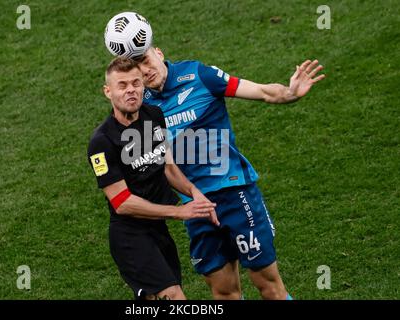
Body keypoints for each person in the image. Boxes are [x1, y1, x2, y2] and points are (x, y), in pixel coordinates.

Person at [132, 46, 325, 300]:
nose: (145, 71)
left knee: (267, 284)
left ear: (158, 52)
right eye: (136, 68)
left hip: (234, 192)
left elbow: (261, 91)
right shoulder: (141, 107)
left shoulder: (199, 75)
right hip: (196, 207)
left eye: (145, 60)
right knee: (224, 293)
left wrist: (289, 93)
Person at [87, 57, 219, 300]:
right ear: (108, 91)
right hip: (130, 238)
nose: (131, 91)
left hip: (158, 230)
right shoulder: (102, 142)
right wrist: (179, 212)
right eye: (122, 85)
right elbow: (122, 203)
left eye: (136, 83)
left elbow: (168, 168)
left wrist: (194, 193)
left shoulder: (154, 115)